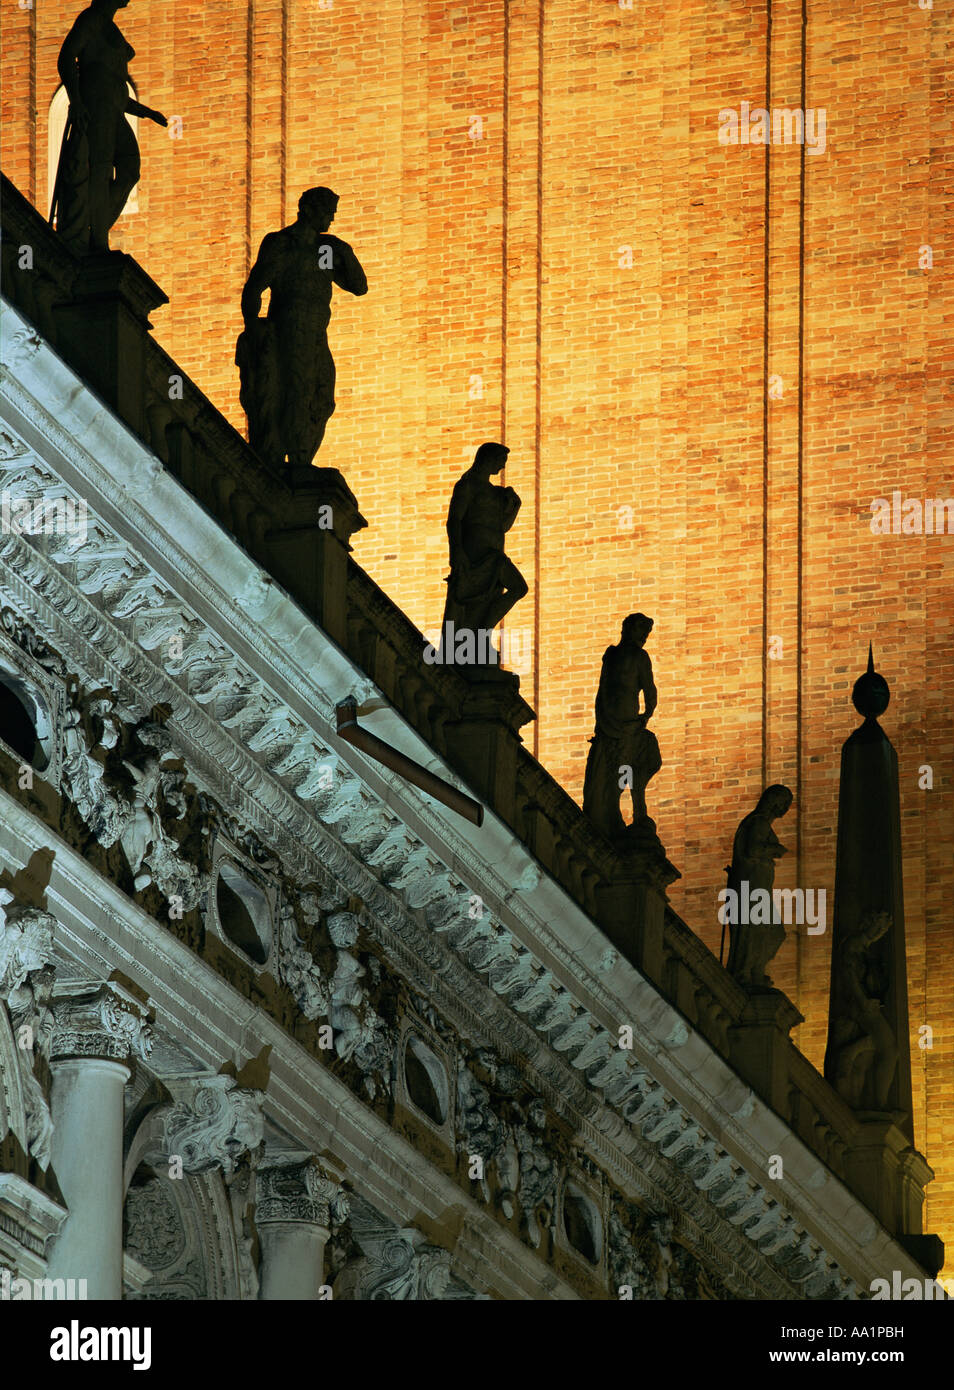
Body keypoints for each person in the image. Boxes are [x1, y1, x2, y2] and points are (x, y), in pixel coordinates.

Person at [237, 187, 368, 470]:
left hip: (317, 332)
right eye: (326, 213)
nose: (330, 219)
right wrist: (254, 329)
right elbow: (254, 289)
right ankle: (297, 460)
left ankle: (303, 456)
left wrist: (344, 251)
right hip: (289, 328)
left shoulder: (326, 250)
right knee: (297, 390)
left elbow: (359, 286)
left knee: (322, 395)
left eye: (332, 214)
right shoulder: (282, 244)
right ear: (308, 210)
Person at [52, 0, 167, 253]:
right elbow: (67, 56)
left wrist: (146, 112)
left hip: (115, 110)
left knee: (130, 169)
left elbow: (114, 86)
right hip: (97, 108)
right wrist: (77, 101)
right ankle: (98, 241)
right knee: (101, 170)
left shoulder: (110, 28)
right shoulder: (91, 19)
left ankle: (94, 226)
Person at [440, 442, 528, 654]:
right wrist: (457, 551)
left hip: (494, 554)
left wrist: (513, 507)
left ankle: (482, 633)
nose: (501, 468)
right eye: (500, 462)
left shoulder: (496, 492)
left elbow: (502, 527)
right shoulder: (468, 485)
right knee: (476, 598)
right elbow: (454, 520)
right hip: (474, 553)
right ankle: (474, 638)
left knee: (517, 588)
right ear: (487, 459)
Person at [583, 613, 662, 838]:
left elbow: (650, 690)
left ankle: (635, 811)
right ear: (628, 629)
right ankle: (610, 811)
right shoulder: (612, 654)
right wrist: (602, 719)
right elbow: (603, 688)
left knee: (625, 769)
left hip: (628, 724)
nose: (645, 637)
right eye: (641, 631)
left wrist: (644, 716)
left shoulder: (640, 657)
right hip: (608, 722)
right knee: (607, 771)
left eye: (647, 633)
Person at [724, 784, 793, 989]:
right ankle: (745, 972)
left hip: (758, 885)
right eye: (784, 803)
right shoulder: (758, 822)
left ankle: (755, 970)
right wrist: (775, 849)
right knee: (753, 928)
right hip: (751, 885)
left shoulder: (760, 823)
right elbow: (753, 849)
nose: (785, 808)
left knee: (769, 931)